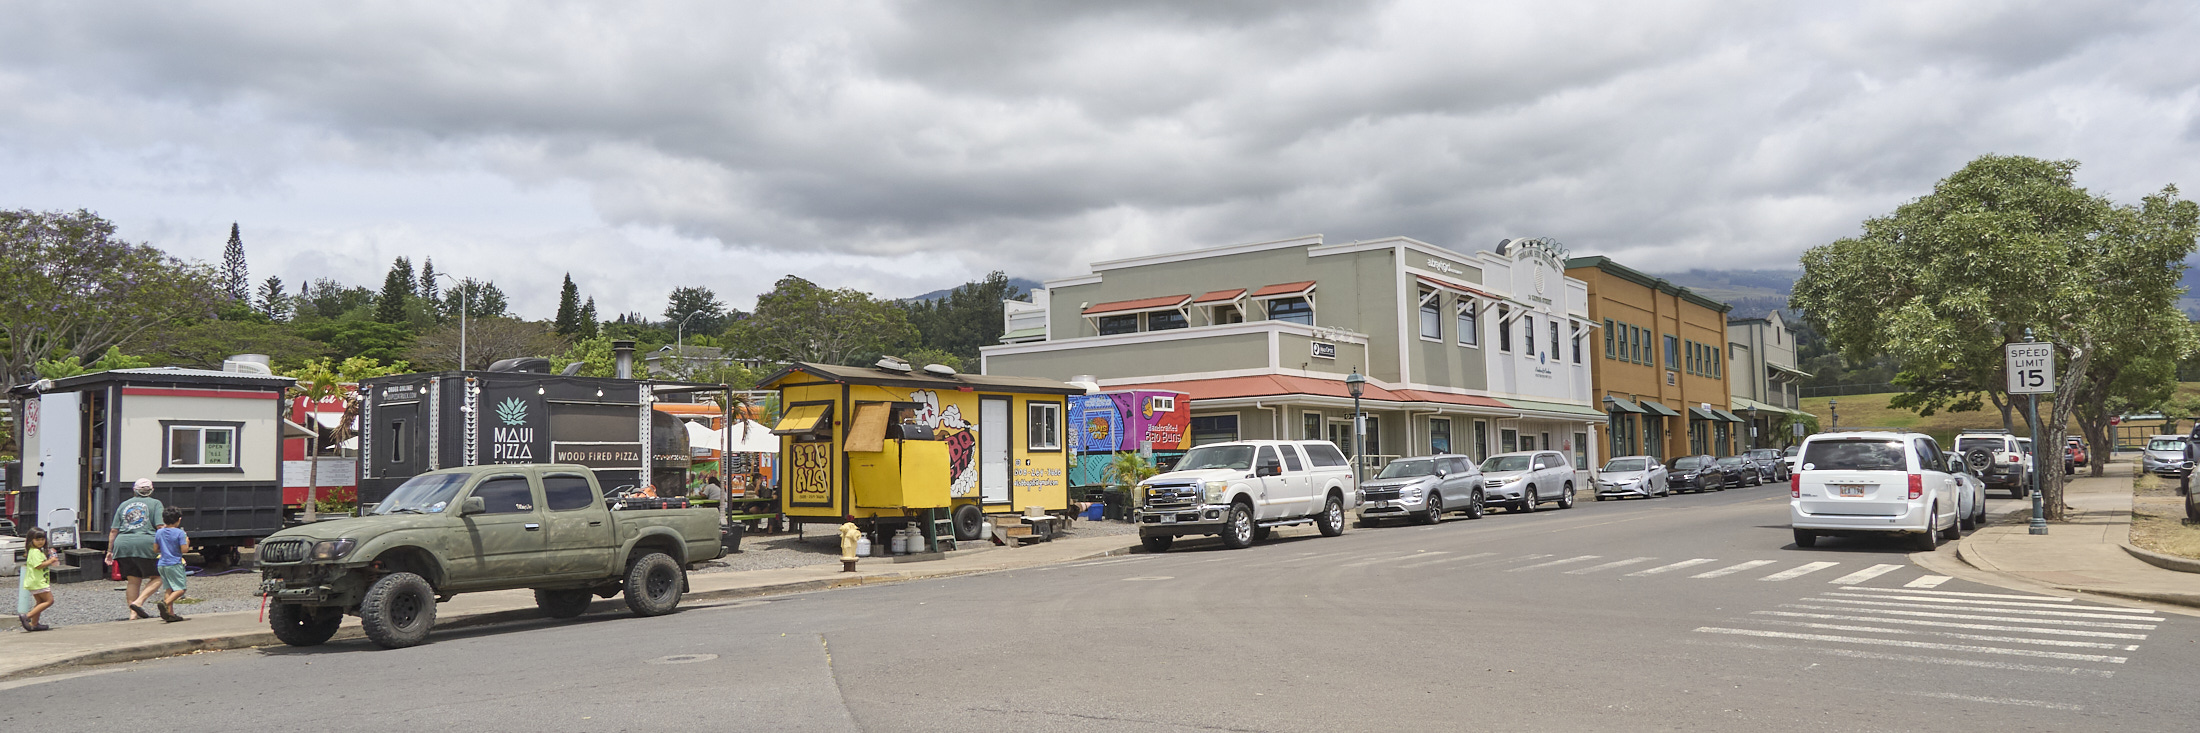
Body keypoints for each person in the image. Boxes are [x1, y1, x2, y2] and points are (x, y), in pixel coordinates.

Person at [110, 478, 167, 619]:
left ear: (134, 490)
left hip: (122, 544)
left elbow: (113, 530)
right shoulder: (155, 503)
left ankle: (133, 614)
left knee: (133, 580)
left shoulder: (124, 504)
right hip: (146, 544)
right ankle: (139, 602)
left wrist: (109, 551)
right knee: (160, 576)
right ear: (151, 490)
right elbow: (160, 526)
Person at [153, 508, 190, 623]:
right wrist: (187, 541)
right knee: (181, 589)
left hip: (162, 563)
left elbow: (155, 549)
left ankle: (170, 614)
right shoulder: (180, 533)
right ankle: (165, 604)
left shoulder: (159, 532)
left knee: (169, 588)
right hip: (174, 563)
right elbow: (184, 550)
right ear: (179, 520)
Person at [19, 528, 56, 631]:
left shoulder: (35, 551)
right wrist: (50, 561)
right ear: (31, 540)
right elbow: (38, 565)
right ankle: (27, 616)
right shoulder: (35, 552)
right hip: (38, 581)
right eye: (37, 539)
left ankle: (34, 624)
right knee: (49, 601)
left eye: (42, 539)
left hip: (34, 581)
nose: (40, 542)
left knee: (40, 602)